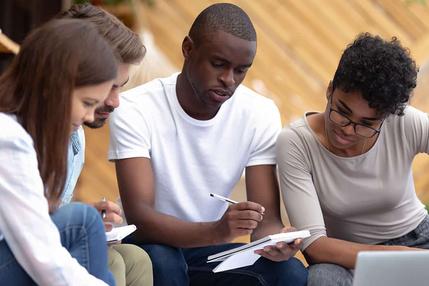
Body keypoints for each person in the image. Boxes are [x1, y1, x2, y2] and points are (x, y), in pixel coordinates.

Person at [109, 3, 308, 286]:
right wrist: (217, 231)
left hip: (207, 252)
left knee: (290, 273)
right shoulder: (135, 108)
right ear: (188, 49)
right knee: (165, 261)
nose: (229, 80)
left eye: (241, 70)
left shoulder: (259, 113)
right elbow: (141, 219)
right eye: (218, 64)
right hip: (148, 245)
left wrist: (276, 243)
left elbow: (266, 222)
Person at [276, 33, 425, 286]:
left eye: (366, 124)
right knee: (321, 279)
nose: (347, 130)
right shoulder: (296, 143)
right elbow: (315, 246)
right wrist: (405, 258)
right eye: (342, 113)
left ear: (386, 117)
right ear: (330, 89)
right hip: (349, 259)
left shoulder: (405, 122)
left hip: (421, 239)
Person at [0, 19, 117, 285]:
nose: (89, 117)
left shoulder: (21, 130)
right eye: (87, 103)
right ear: (52, 85)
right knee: (83, 221)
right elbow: (41, 253)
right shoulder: (8, 137)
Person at [59, 4, 153, 286]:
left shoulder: (77, 135)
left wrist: (87, 216)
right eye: (108, 86)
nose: (115, 101)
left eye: (120, 87)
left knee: (137, 259)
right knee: (109, 261)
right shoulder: (21, 130)